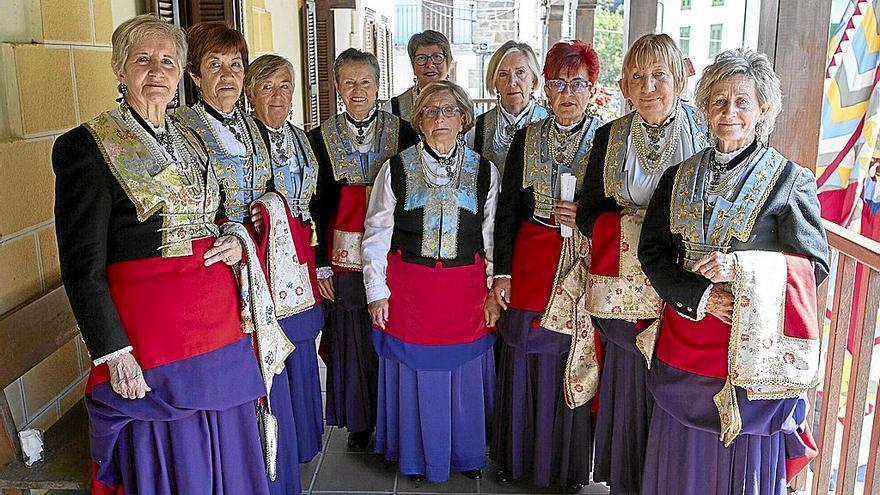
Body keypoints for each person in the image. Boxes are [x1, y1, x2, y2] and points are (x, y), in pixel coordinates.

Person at [53, 14, 270, 494]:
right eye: (142, 59)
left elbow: (216, 215)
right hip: (151, 337)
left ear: (180, 72)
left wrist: (235, 239)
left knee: (229, 442)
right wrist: (114, 353)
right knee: (176, 454)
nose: (157, 70)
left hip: (217, 326)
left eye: (168, 60)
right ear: (118, 68)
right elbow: (81, 267)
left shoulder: (192, 139)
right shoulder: (86, 147)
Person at [638, 48, 828, 494]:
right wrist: (701, 297)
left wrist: (740, 271)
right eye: (719, 101)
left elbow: (814, 265)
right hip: (685, 337)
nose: (729, 112)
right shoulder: (676, 176)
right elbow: (653, 253)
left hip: (749, 357)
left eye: (742, 101)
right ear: (705, 107)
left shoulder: (789, 180)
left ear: (763, 108)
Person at [575, 33, 707, 495]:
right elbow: (588, 209)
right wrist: (630, 230)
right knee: (630, 384)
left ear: (680, 80)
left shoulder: (707, 130)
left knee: (677, 379)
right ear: (624, 86)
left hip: (685, 288)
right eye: (637, 76)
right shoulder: (609, 137)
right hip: (624, 292)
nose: (648, 86)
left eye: (659, 75)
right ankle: (629, 481)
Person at [176, 23, 304, 495]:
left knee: (267, 369)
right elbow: (184, 210)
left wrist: (269, 210)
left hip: (260, 265)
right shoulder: (184, 130)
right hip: (216, 271)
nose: (227, 75)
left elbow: (274, 189)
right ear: (193, 74)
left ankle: (275, 472)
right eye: (214, 65)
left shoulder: (252, 126)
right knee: (238, 375)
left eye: (235, 65)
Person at [362, 80, 500, 483]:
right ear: (419, 121)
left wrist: (494, 290)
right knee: (414, 373)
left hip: (466, 292)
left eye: (449, 110)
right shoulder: (396, 168)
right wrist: (376, 291)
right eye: (431, 111)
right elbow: (376, 233)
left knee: (462, 374)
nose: (440, 118)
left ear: (463, 118)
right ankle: (415, 458)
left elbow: (491, 237)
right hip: (409, 292)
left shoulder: (485, 171)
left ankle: (467, 454)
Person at [490, 40, 603, 490]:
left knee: (567, 357)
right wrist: (502, 272)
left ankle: (566, 467)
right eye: (558, 83)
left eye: (578, 84)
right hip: (531, 256)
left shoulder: (607, 137)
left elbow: (617, 208)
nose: (567, 93)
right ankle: (514, 458)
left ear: (592, 89)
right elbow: (507, 211)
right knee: (520, 352)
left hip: (579, 263)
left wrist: (587, 217)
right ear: (545, 89)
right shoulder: (527, 136)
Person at [309, 48, 418, 451]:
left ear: (378, 86)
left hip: (391, 256)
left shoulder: (405, 132)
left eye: (366, 82)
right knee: (351, 338)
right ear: (337, 87)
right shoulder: (318, 138)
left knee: (391, 333)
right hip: (340, 261)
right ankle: (359, 422)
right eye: (349, 82)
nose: (358, 90)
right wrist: (320, 264)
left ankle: (394, 419)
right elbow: (313, 206)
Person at [244, 54, 325, 469]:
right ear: (250, 93)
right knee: (273, 347)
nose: (277, 95)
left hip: (301, 254)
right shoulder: (242, 141)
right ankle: (282, 446)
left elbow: (315, 202)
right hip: (264, 260)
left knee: (302, 342)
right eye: (267, 86)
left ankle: (306, 436)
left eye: (285, 86)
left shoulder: (302, 137)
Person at [466, 40, 549, 173]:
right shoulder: (477, 129)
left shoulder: (550, 123)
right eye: (503, 74)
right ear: (494, 82)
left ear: (533, 79)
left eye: (520, 72)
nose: (512, 82)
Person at [383, 30, 453, 122]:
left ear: (448, 63)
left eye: (437, 57)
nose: (430, 64)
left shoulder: (465, 106)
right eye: (422, 58)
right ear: (413, 65)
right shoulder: (392, 110)